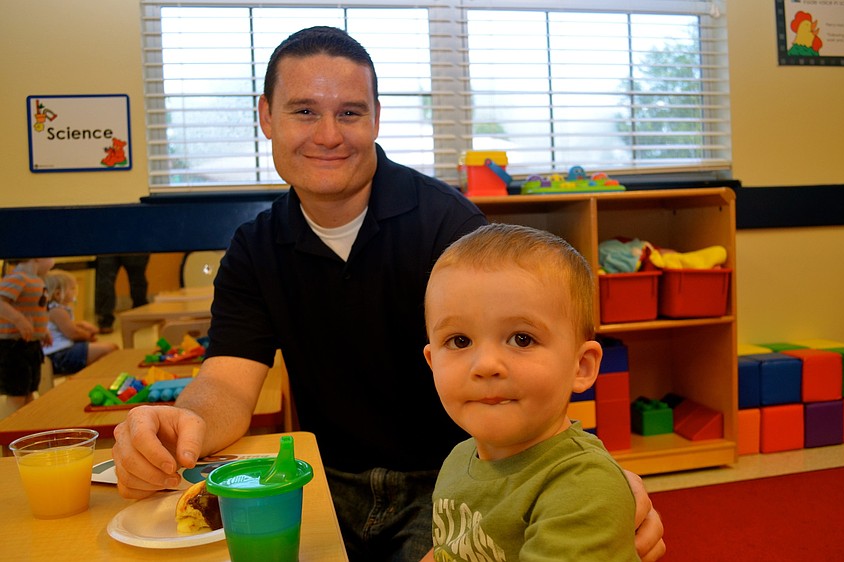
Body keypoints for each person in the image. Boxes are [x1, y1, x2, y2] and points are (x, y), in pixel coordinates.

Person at [111, 26, 664, 562]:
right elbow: (228, 383)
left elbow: (533, 359)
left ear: (376, 118)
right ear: (266, 117)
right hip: (324, 478)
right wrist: (181, 426)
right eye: (304, 110)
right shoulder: (256, 247)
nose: (328, 134)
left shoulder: (450, 228)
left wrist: (596, 484)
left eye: (349, 112)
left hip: (450, 480)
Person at [421, 223, 639, 561]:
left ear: (580, 367)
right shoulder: (459, 460)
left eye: (522, 339)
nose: (486, 365)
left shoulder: (582, 488)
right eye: (459, 341)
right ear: (433, 362)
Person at [0, 257, 54, 411]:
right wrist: (18, 320)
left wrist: (43, 331)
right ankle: (9, 429)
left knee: (29, 390)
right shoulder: (18, 278)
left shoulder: (36, 280)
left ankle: (26, 425)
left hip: (31, 344)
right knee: (16, 393)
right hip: (13, 346)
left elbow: (34, 310)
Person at [43, 269, 118, 375]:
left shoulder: (56, 309)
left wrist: (81, 325)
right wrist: (88, 336)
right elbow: (72, 333)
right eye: (72, 288)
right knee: (110, 348)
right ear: (58, 294)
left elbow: (66, 327)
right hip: (59, 356)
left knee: (104, 348)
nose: (75, 291)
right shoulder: (57, 311)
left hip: (61, 352)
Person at [94, 253, 150, 333]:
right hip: (134, 244)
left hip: (107, 244)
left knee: (105, 281)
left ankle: (105, 321)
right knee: (137, 280)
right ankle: (140, 315)